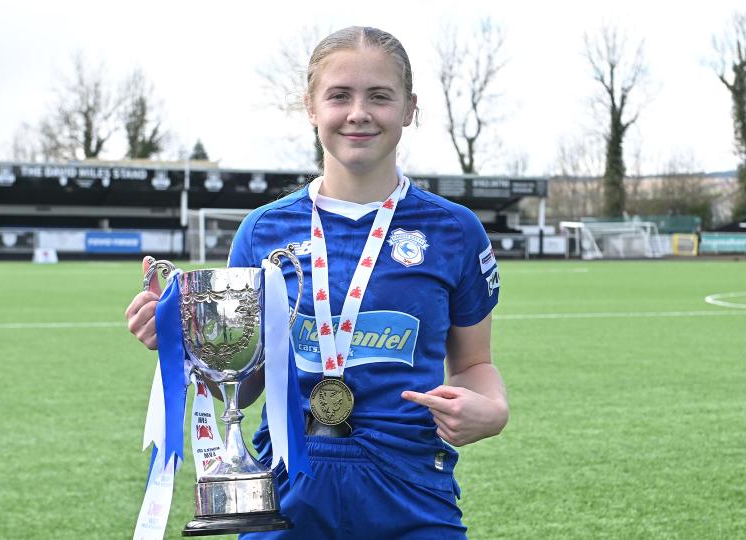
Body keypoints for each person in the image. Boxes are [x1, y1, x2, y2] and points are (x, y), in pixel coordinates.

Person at [125, 26, 508, 539]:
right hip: (285, 493)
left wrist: (492, 411)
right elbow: (244, 384)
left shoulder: (454, 230)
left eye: (380, 96)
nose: (359, 113)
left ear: (409, 108)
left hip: (411, 490)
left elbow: (475, 365)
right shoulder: (263, 231)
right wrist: (183, 340)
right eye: (339, 96)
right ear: (311, 107)